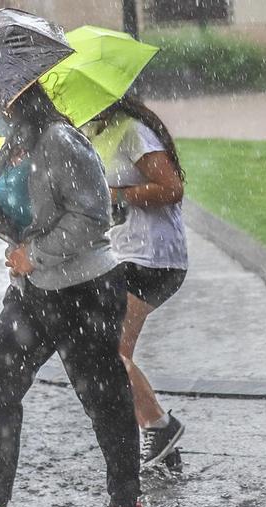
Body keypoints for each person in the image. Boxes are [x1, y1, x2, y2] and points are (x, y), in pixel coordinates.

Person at [0, 86, 148, 507]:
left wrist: (37, 255)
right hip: (33, 293)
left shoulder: (59, 141)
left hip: (83, 291)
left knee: (102, 399)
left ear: (18, 101)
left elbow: (93, 216)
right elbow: (21, 224)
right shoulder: (12, 147)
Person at [82, 95, 188, 469]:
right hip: (123, 255)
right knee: (105, 351)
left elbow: (172, 187)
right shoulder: (96, 133)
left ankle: (159, 426)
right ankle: (161, 440)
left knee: (108, 352)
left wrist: (118, 195)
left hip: (152, 258)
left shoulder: (133, 132)